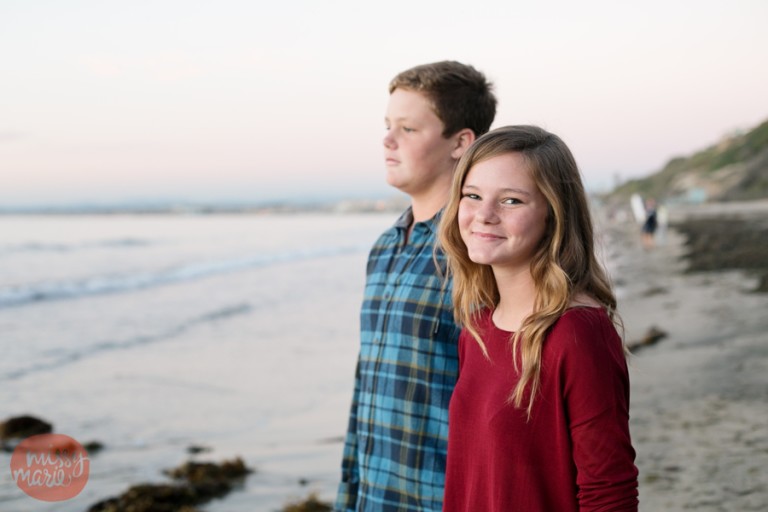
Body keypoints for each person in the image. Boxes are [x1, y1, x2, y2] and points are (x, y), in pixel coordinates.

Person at [438, 125, 639, 511]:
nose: (484, 215)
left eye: (511, 201)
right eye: (472, 195)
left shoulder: (577, 333)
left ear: (553, 215)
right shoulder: (477, 328)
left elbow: (609, 494)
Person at [335, 61, 497, 512]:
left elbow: (506, 403)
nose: (388, 140)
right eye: (387, 126)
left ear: (460, 143)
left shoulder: (477, 251)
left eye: (408, 128)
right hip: (373, 498)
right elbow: (366, 394)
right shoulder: (385, 247)